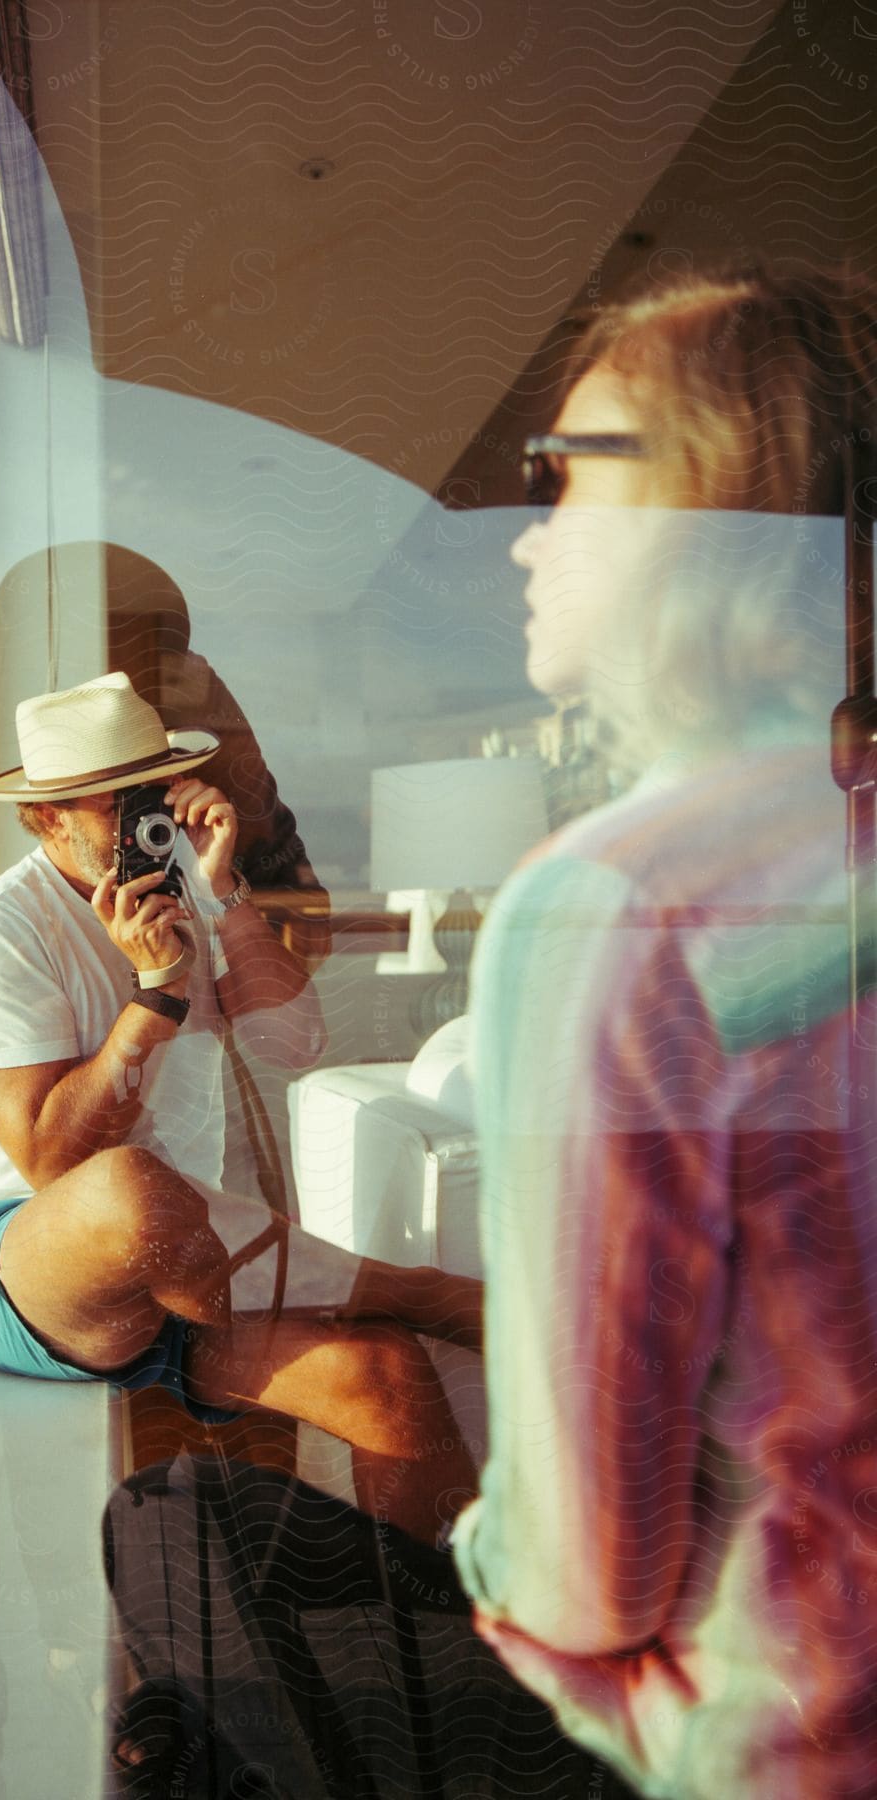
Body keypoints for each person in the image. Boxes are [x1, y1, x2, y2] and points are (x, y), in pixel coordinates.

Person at [449, 270, 877, 1797]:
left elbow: (583, 1583)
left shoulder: (613, 907)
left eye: (559, 476)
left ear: (720, 505)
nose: (524, 529)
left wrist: (485, 1556)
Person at [0, 670, 484, 1543]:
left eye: (149, 796)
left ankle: (441, 1645)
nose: (141, 825)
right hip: (44, 1270)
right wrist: (154, 994)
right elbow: (49, 1160)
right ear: (46, 818)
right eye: (112, 807)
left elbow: (292, 1046)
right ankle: (424, 1292)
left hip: (197, 1278)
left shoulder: (190, 889)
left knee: (388, 1376)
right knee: (131, 1190)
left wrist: (225, 891)